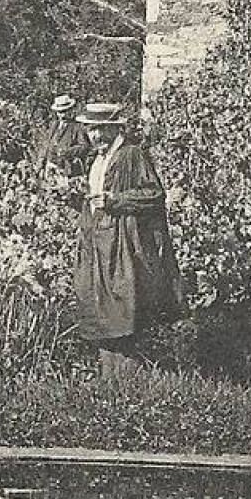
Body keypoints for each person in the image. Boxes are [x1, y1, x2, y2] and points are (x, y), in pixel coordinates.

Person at [70, 102, 183, 373]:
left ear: (115, 128)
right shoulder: (98, 158)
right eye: (91, 130)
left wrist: (115, 200)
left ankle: (129, 383)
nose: (96, 136)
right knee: (100, 310)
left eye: (101, 129)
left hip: (123, 245)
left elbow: (154, 196)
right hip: (98, 244)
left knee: (123, 310)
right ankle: (109, 383)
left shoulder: (131, 155)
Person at [33, 94, 87, 171]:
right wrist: (40, 163)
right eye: (59, 112)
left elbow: (84, 146)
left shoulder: (77, 127)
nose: (62, 115)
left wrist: (68, 151)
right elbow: (46, 144)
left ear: (71, 110)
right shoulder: (54, 125)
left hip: (66, 167)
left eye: (65, 111)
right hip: (50, 166)